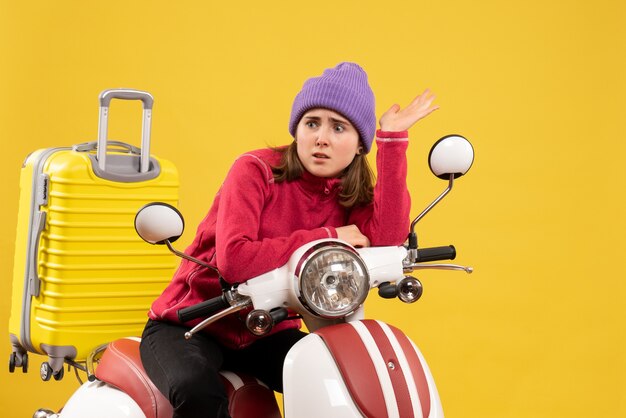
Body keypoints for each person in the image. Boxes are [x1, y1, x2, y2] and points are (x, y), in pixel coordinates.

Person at [139, 62, 439, 417]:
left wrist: (391, 140)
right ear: (297, 129)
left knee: (340, 378)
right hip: (190, 325)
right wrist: (328, 235)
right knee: (197, 391)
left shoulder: (350, 192)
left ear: (360, 145)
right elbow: (235, 261)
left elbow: (387, 242)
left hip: (265, 329)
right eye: (312, 123)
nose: (321, 138)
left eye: (338, 128)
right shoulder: (254, 170)